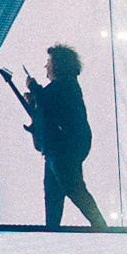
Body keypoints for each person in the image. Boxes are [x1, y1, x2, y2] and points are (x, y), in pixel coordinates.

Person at [26, 44, 107, 229]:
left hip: (63, 148)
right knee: (55, 192)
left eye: (49, 62)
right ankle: (53, 229)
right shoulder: (67, 86)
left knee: (71, 188)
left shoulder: (65, 85)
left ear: (58, 65)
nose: (46, 66)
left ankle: (99, 225)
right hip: (57, 149)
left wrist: (33, 87)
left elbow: (47, 100)